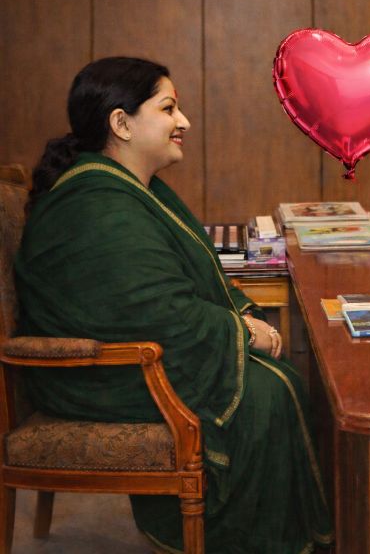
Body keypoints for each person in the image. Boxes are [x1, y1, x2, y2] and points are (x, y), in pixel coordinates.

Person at [15, 57, 333, 553]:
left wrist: (241, 316)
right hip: (93, 375)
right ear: (120, 123)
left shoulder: (126, 189)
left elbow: (179, 286)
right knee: (268, 394)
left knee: (285, 381)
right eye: (168, 109)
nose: (183, 122)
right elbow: (153, 312)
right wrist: (245, 332)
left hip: (135, 354)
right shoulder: (93, 205)